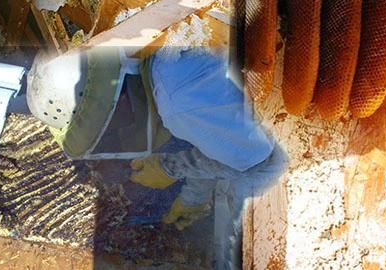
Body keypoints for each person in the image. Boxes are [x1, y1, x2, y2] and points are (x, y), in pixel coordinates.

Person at [26, 43, 288, 269]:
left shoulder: (179, 102)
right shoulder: (159, 65)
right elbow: (216, 136)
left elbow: (263, 162)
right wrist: (192, 198)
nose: (116, 131)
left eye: (106, 127)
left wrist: (172, 166)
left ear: (113, 102)